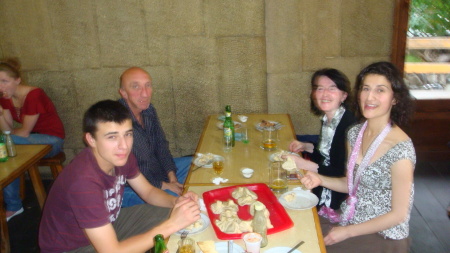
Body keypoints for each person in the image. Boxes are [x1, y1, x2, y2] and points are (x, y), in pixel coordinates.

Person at [39, 100, 200, 253]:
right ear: (91, 139)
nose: (124, 145)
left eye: (128, 134)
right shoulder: (83, 183)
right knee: (171, 223)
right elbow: (111, 251)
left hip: (107, 225)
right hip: (72, 248)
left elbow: (148, 192)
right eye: (112, 137)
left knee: (171, 213)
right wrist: (171, 225)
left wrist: (177, 202)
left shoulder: (120, 156)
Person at [301, 62, 415, 252]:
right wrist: (319, 179)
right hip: (351, 217)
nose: (370, 97)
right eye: (366, 89)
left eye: (380, 90)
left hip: (383, 233)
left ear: (395, 98)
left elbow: (399, 214)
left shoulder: (400, 149)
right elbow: (350, 183)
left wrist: (347, 232)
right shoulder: (355, 133)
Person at [0, 58, 65, 222]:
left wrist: (8, 136)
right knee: (7, 153)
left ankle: (14, 205)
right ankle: (14, 206)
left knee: (4, 144)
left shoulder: (34, 94)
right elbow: (7, 131)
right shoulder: (4, 97)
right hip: (28, 140)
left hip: (52, 140)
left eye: (4, 81)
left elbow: (24, 131)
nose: (1, 86)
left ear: (17, 80)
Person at [118, 67, 192, 206]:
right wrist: (165, 185)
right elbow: (127, 174)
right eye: (135, 87)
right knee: (178, 200)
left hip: (158, 172)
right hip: (133, 187)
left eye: (148, 85)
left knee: (198, 165)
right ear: (123, 93)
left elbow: (161, 145)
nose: (145, 94)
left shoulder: (149, 110)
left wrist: (172, 177)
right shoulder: (117, 121)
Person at [287, 68, 356, 216]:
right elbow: (329, 153)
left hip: (337, 201)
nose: (325, 94)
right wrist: (307, 146)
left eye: (332, 88)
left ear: (344, 95)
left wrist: (304, 164)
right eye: (320, 88)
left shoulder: (349, 127)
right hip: (320, 183)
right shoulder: (331, 119)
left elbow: (341, 173)